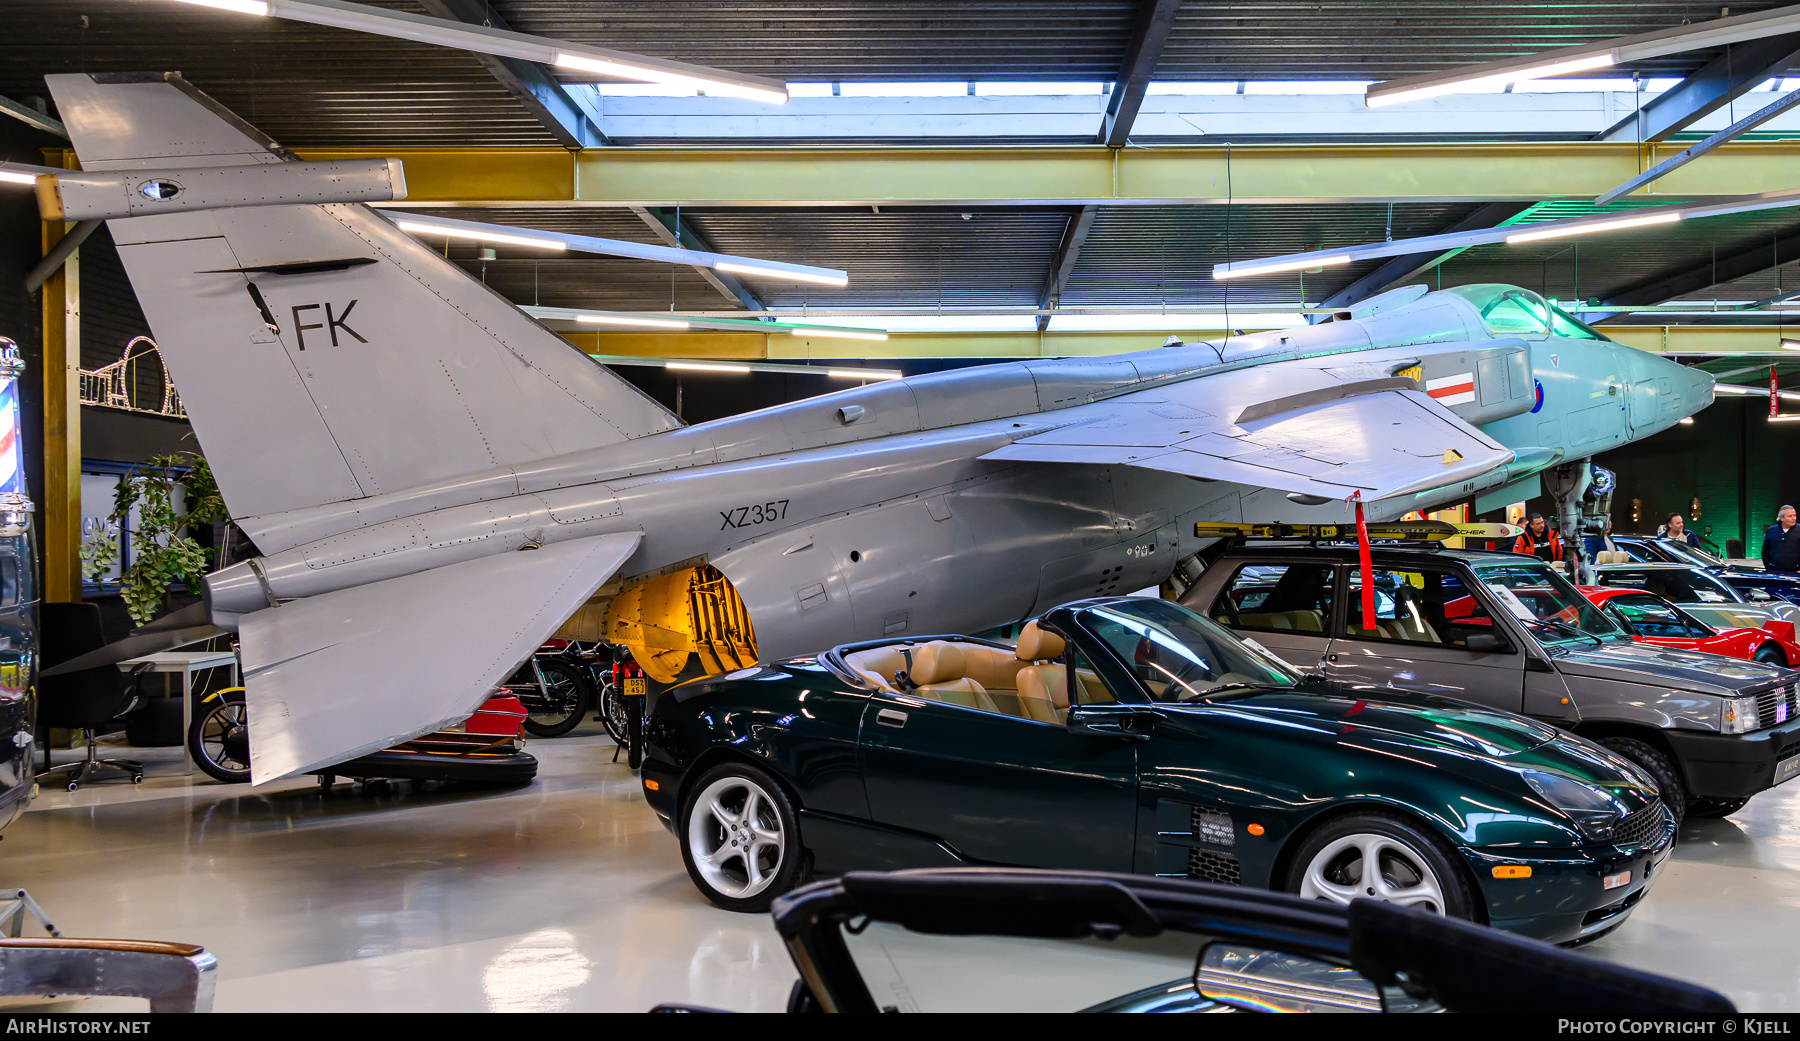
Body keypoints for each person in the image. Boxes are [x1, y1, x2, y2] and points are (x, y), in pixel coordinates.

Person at [1764, 505, 1800, 575]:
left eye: (1794, 516)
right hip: (1775, 572)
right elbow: (1765, 552)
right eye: (1790, 516)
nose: (1794, 518)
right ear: (1782, 518)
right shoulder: (1771, 530)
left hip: (1796, 573)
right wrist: (1768, 568)